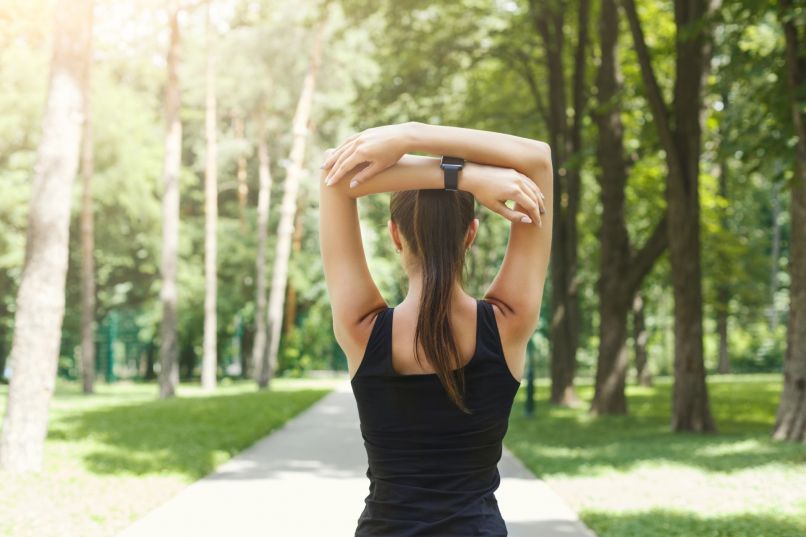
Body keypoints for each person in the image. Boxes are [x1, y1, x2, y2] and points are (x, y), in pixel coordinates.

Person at [318, 121, 553, 536]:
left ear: (395, 235)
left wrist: (461, 176)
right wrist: (414, 136)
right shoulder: (509, 320)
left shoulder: (362, 329)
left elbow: (335, 181)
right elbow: (538, 160)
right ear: (471, 235)